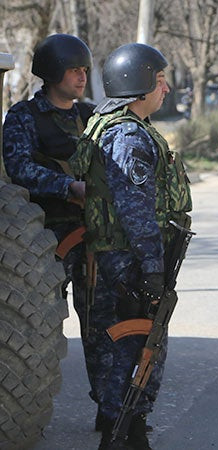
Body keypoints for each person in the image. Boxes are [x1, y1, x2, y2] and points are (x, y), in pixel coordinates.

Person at [69, 42, 192, 449]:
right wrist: (154, 269)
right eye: (159, 81)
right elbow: (135, 210)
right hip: (128, 259)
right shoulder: (127, 136)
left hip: (118, 256)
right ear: (138, 85)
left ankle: (123, 424)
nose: (166, 89)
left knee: (123, 345)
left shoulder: (113, 125)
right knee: (137, 344)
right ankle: (128, 429)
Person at [1, 33, 112, 431]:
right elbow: (19, 170)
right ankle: (26, 409)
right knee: (38, 328)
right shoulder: (23, 118)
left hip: (90, 237)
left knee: (101, 324)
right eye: (73, 70)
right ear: (51, 74)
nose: (81, 77)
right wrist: (69, 187)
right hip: (39, 241)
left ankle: (110, 409)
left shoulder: (89, 115)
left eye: (84, 70)